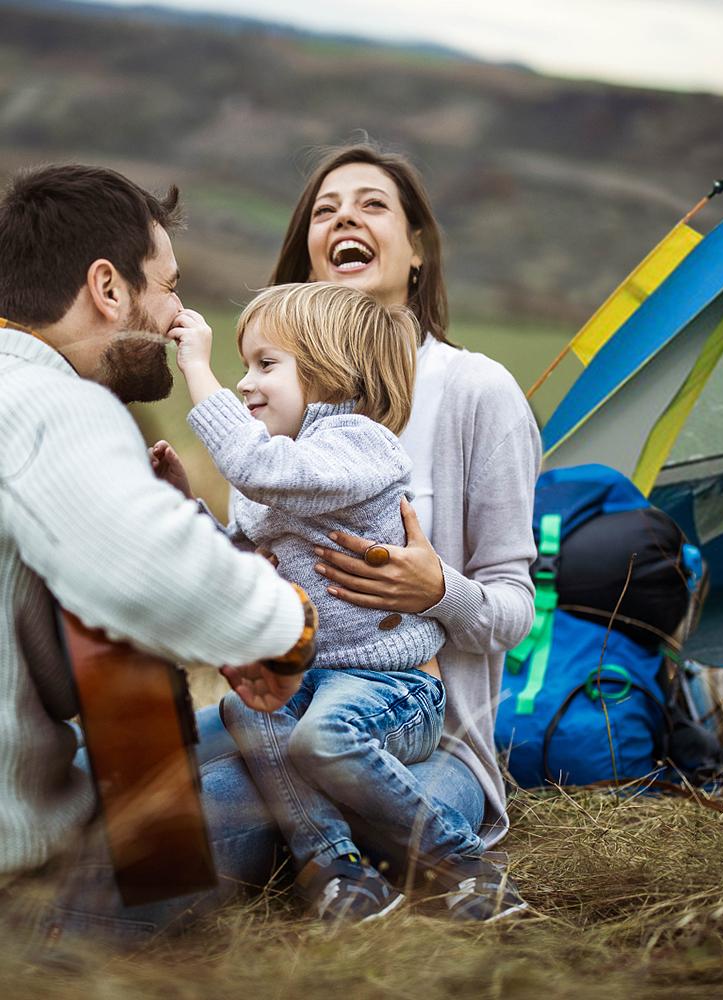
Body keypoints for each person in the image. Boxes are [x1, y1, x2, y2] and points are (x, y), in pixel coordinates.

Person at [198, 142, 542, 921]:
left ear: (417, 250)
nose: (345, 215)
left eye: (372, 203)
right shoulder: (271, 410)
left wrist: (439, 590)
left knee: (215, 819)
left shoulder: (477, 389)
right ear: (309, 263)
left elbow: (517, 611)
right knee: (121, 767)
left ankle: (385, 871)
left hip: (425, 727)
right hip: (286, 709)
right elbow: (240, 577)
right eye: (325, 209)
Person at [0, 163, 318, 953]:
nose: (180, 314)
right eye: (168, 286)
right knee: (263, 780)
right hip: (20, 894)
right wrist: (285, 628)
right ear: (108, 289)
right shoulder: (49, 399)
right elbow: (142, 569)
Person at [157, 281, 484, 921]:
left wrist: (197, 364)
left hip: (389, 687)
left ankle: (462, 863)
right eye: (243, 365)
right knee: (247, 710)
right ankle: (340, 870)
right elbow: (235, 559)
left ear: (333, 371)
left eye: (265, 365)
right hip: (314, 679)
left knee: (324, 738)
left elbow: (257, 468)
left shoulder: (357, 445)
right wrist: (182, 503)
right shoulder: (276, 471)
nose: (246, 382)